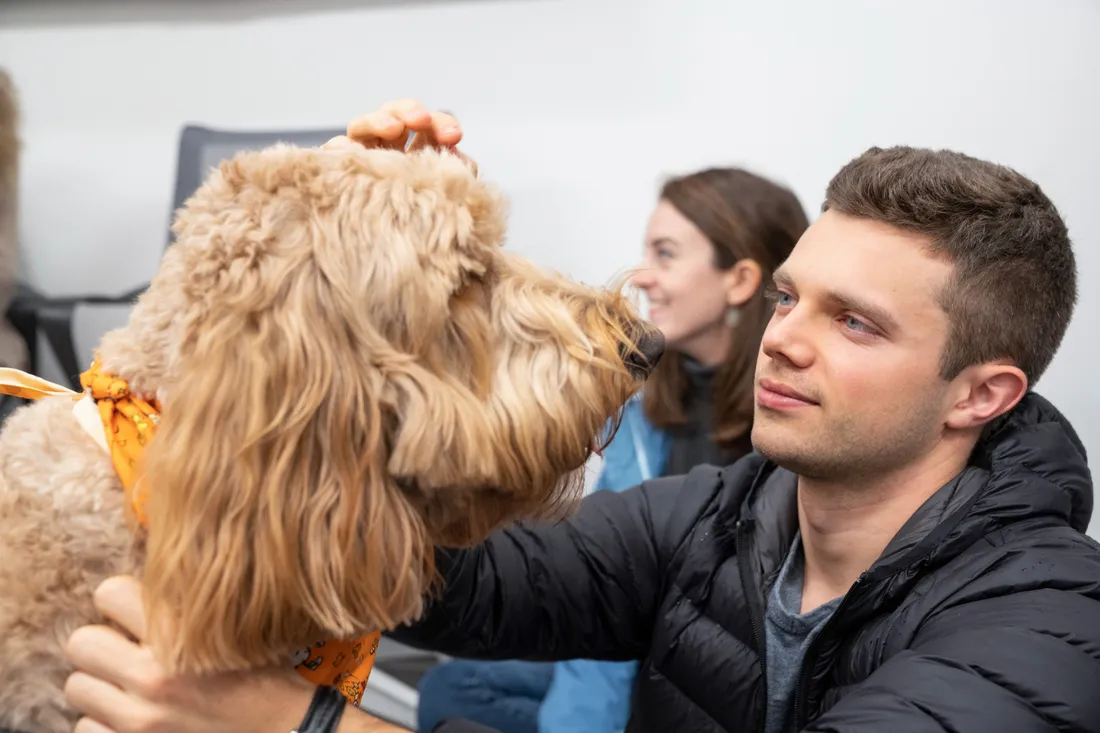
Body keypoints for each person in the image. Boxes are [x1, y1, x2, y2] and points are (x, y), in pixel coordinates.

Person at [63, 100, 1100, 733]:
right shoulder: (720, 517)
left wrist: (308, 725)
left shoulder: (1049, 623)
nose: (781, 338)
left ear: (981, 393)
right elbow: (445, 584)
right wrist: (328, 267)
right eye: (788, 297)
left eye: (855, 324)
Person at [416, 167, 809, 733]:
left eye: (666, 254)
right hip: (617, 632)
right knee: (455, 686)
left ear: (741, 279)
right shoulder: (643, 403)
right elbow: (598, 561)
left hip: (687, 666)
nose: (643, 277)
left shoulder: (783, 436)